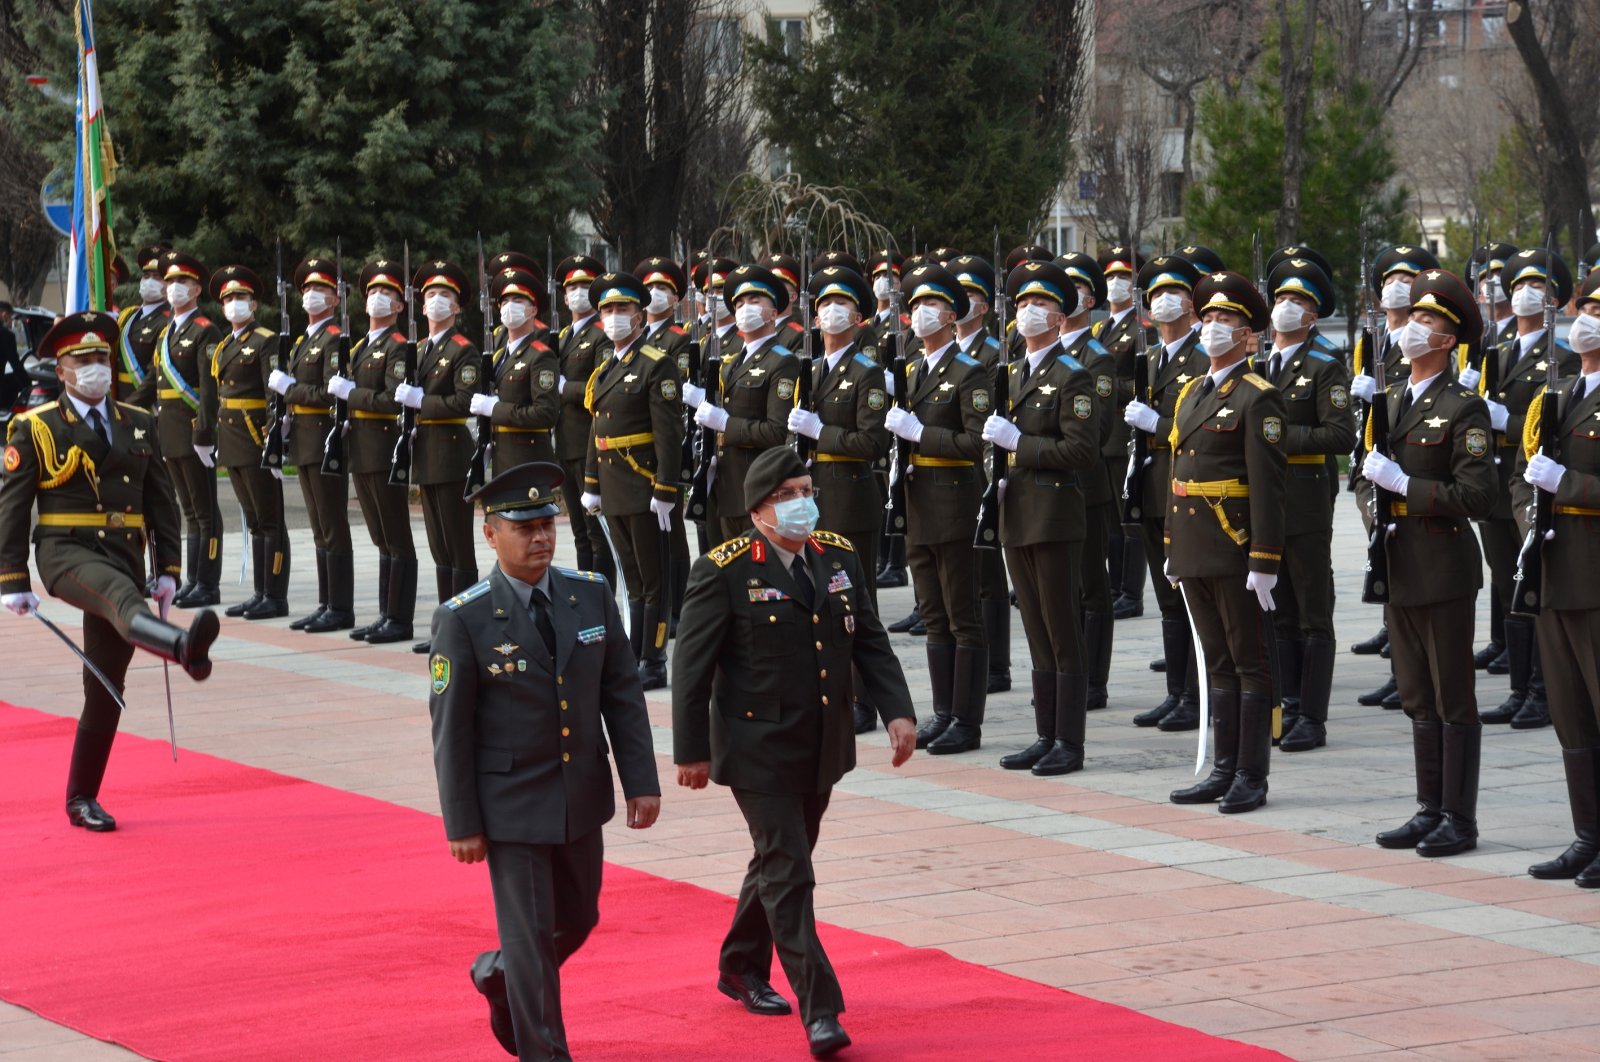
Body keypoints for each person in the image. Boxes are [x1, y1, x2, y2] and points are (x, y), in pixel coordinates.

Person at [672, 446, 915, 1061]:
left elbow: (871, 641)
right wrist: (690, 752)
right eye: (788, 495)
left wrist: (898, 711)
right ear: (758, 511)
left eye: (806, 489)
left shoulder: (838, 554)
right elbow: (691, 671)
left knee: (781, 857)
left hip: (822, 743)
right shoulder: (723, 570)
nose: (803, 503)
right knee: (791, 871)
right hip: (756, 748)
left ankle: (738, 964)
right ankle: (821, 1009)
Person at [429, 461, 660, 1061]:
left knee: (579, 917)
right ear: (490, 533)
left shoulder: (590, 593)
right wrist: (463, 823)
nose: (541, 537)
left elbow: (622, 693)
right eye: (523, 526)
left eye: (548, 523)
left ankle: (500, 973)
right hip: (509, 804)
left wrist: (641, 781)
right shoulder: (464, 617)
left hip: (579, 793)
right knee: (531, 940)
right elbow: (450, 730)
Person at [0, 312, 220, 831]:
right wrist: (11, 578)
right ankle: (183, 648)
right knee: (123, 598)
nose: (96, 368)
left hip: (124, 552)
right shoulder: (36, 425)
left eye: (103, 358)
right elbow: (12, 504)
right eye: (83, 360)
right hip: (64, 550)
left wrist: (168, 568)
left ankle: (81, 798)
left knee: (106, 686)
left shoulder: (137, 422)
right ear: (63, 368)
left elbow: (160, 501)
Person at [1360, 268, 1494, 857]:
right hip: (1398, 561)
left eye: (1428, 321)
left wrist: (1405, 486)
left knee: (1451, 696)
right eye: (1412, 317)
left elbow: (1477, 496)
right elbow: (1367, 479)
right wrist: (1376, 506)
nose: (1414, 327)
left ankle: (1459, 820)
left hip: (1441, 562)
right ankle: (1429, 807)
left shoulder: (1464, 408)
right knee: (1415, 694)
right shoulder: (1391, 401)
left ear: (1448, 340)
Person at [1165, 271, 1287, 814]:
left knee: (1248, 661)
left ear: (1249, 336)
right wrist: (1173, 545)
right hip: (1195, 547)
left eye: (1226, 321)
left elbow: (1268, 486)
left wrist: (1264, 559)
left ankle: (1251, 776)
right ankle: (1222, 767)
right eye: (1208, 318)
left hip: (1235, 549)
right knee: (1216, 661)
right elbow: (1179, 470)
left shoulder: (1258, 398)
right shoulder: (1193, 390)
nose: (1213, 327)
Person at [983, 261, 1099, 775]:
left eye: (1040, 306)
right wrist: (999, 466)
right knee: (1033, 626)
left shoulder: (1073, 374)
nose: (1029, 313)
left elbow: (1081, 450)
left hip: (1053, 514)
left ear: (1059, 318)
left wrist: (1021, 446)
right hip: (1016, 510)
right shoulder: (1011, 372)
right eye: (1023, 305)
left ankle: (1069, 743)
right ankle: (1044, 734)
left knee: (1061, 628)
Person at [1466, 248, 1575, 731]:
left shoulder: (1565, 358)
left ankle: (1542, 690)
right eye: (1517, 288)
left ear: (1554, 301)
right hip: (1495, 485)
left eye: (1536, 288)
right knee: (1509, 581)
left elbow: (1555, 427)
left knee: (1533, 584)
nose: (1523, 295)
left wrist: (1504, 422)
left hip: (1530, 482)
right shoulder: (1499, 350)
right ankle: (1518, 688)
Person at [1515, 268, 1600, 885]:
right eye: (1583, 306)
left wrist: (1565, 486)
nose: (1585, 318)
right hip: (1553, 565)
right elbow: (1527, 477)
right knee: (1571, 712)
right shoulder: (1561, 391)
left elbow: (1561, 478)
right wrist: (1532, 513)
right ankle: (1587, 835)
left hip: (1595, 573)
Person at [886, 262, 990, 754]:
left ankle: (967, 722)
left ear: (953, 315)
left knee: (961, 613)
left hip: (954, 502)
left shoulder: (969, 371)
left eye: (932, 306)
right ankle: (944, 712)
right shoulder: (912, 370)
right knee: (932, 613)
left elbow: (976, 443)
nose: (922, 314)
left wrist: (920, 435)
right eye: (917, 306)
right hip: (918, 501)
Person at [785, 264, 892, 734]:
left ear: (858, 316)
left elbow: (872, 443)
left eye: (842, 304)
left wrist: (820, 433)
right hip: (811, 499)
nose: (831, 311)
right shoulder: (810, 370)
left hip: (850, 498)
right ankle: (834, 694)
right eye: (824, 304)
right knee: (822, 602)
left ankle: (865, 703)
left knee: (855, 607)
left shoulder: (867, 371)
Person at [1257, 253, 1354, 751]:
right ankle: (1289, 703)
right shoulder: (1259, 364)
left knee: (1313, 608)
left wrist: (1274, 436)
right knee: (1280, 608)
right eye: (1280, 299)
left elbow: (1340, 434)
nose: (1285, 308)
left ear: (1314, 316)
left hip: (1306, 498)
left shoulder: (1324, 365)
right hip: (1264, 501)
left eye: (1297, 301)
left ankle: (1312, 716)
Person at [577, 271, 683, 691]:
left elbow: (669, 434)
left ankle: (653, 660)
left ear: (640, 316)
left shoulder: (656, 364)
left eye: (622, 309)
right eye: (607, 310)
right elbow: (596, 429)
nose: (614, 316)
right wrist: (590, 481)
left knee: (653, 580)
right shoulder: (606, 368)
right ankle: (635, 652)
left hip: (644, 487)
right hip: (614, 487)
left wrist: (666, 489)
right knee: (633, 579)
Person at [1123, 254, 1207, 731]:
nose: (1161, 300)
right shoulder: (1150, 358)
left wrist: (1158, 427)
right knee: (1166, 597)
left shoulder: (1200, 358)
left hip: (1188, 492)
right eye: (1154, 293)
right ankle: (1177, 692)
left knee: (1190, 598)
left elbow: (1203, 426)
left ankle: (1198, 695)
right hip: (1152, 491)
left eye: (1171, 292)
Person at [1348, 244, 1441, 671]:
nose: (1395, 286)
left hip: (1404, 461)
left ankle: (1404, 647)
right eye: (1388, 279)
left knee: (1402, 550)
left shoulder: (1421, 337)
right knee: (1379, 547)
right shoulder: (1372, 340)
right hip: (1371, 460)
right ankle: (1392, 630)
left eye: (1406, 279)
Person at [330, 258, 418, 645]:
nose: (377, 299)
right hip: (361, 450)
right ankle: (385, 613)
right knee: (380, 537)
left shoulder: (397, 347)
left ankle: (399, 618)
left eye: (387, 294)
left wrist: (354, 395)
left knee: (397, 536)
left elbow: (390, 400)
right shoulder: (362, 345)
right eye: (372, 293)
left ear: (400, 307)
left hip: (384, 449)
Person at [131, 251, 224, 608]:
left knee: (205, 512)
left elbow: (209, 387)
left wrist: (204, 432)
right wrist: (122, 408)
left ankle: (207, 582)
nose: (173, 288)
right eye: (169, 282)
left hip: (192, 432)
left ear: (197, 289)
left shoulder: (205, 331)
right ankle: (193, 579)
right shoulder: (167, 331)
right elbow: (153, 384)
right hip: (168, 433)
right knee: (187, 510)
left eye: (181, 282)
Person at [397, 259, 481, 654]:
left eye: (444, 296)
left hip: (451, 454)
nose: (435, 302)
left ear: (457, 307)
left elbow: (464, 402)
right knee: (439, 548)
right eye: (430, 295)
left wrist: (422, 402)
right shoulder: (418, 350)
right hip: (426, 455)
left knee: (458, 545)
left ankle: (467, 627)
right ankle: (447, 625)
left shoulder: (463, 350)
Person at [686, 263, 801, 543]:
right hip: (725, 487)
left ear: (773, 313)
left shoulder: (782, 361)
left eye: (753, 301)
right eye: (739, 303)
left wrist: (725, 423)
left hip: (759, 488)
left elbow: (776, 432)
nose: (744, 308)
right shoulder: (732, 363)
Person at [271, 256, 354, 633]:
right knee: (320, 527)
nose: (311, 295)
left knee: (332, 524)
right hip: (304, 439)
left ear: (335, 299)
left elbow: (329, 395)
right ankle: (326, 603)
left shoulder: (335, 339)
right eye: (307, 289)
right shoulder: (305, 340)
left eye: (320, 289)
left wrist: (292, 390)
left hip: (324, 439)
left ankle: (340, 607)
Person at [204, 263, 292, 620]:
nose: (234, 304)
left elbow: (275, 394)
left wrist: (274, 440)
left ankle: (275, 595)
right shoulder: (226, 344)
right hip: (234, 439)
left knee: (270, 520)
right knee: (254, 520)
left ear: (253, 305)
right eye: (228, 299)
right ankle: (260, 592)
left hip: (256, 437)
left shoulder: (265, 340)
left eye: (241, 297)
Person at [1054, 252, 1121, 713]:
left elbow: (1095, 430)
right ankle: (1070, 673)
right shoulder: (1039, 352)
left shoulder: (1096, 357)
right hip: (1044, 491)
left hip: (1084, 485)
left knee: (1092, 586)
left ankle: (1094, 679)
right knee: (1064, 588)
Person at [1093, 245, 1152, 620]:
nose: (1115, 283)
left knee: (1129, 515)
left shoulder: (1142, 329)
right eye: (1111, 276)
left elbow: (1145, 386)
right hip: (1101, 433)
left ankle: (1131, 591)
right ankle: (1114, 586)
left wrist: (1109, 385)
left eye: (1124, 278)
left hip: (1124, 431)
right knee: (1109, 519)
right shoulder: (1100, 328)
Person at [552, 254, 616, 589]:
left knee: (596, 533)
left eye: (584, 286)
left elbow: (603, 384)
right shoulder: (562, 336)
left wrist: (566, 389)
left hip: (588, 443)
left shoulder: (602, 334)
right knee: (578, 531)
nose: (576, 292)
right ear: (563, 297)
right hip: (565, 443)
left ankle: (602, 600)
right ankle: (584, 596)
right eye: (571, 287)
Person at [474, 266, 561, 474]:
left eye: (518, 301)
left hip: (527, 461)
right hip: (500, 457)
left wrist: (496, 409)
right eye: (504, 302)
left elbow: (545, 414)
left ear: (533, 310)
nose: (509, 307)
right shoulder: (498, 356)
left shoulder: (541, 355)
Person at [112, 244, 171, 406]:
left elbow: (156, 375)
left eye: (157, 277)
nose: (149, 281)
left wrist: (132, 406)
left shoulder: (168, 321)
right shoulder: (128, 315)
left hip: (144, 407)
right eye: (146, 276)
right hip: (117, 402)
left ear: (168, 284)